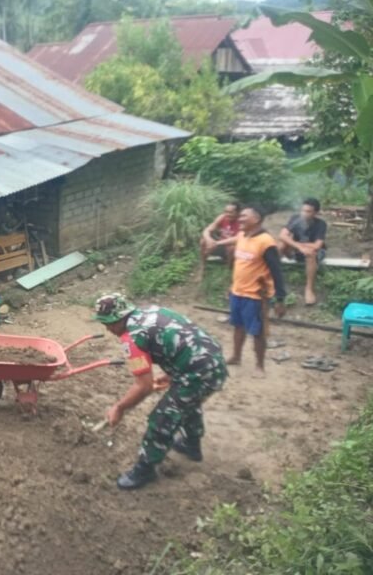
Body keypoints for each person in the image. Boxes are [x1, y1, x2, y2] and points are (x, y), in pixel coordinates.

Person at [95, 294, 228, 490]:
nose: (108, 329)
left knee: (163, 418)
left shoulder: (132, 338)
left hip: (200, 373)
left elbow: (143, 386)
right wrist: (173, 374)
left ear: (121, 317)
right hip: (212, 361)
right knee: (186, 402)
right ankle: (192, 446)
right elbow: (180, 342)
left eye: (110, 323)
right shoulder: (151, 311)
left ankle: (145, 469)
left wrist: (119, 407)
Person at [214, 206, 287, 376]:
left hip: (256, 296)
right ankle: (236, 356)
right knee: (238, 326)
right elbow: (241, 266)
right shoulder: (242, 236)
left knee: (258, 332)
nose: (239, 219)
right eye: (239, 217)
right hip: (237, 292)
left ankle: (260, 366)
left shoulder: (266, 242)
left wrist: (280, 298)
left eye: (244, 216)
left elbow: (277, 271)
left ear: (256, 219)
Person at [278, 198, 327, 306]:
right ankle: (270, 278)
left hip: (316, 253)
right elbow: (282, 235)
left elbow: (317, 245)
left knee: (310, 252)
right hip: (298, 250)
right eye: (303, 210)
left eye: (308, 211)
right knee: (281, 245)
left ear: (316, 213)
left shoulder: (321, 224)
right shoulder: (295, 219)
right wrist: (298, 246)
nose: (304, 214)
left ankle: (309, 289)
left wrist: (298, 245)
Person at [199, 202, 241, 275]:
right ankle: (203, 265)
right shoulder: (222, 217)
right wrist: (209, 239)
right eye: (226, 212)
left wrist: (216, 243)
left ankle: (229, 268)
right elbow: (207, 230)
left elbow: (238, 238)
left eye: (231, 212)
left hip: (235, 249)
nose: (227, 214)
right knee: (203, 241)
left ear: (237, 213)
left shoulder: (241, 222)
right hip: (221, 245)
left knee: (232, 247)